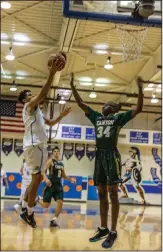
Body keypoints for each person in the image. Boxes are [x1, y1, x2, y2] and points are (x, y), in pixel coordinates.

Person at [70, 73, 144, 249]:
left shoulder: (117, 118)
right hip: (99, 156)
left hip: (111, 155)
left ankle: (113, 231)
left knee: (112, 192)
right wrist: (73, 86)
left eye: (105, 105)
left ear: (112, 109)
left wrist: (141, 89)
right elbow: (81, 104)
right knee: (101, 192)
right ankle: (103, 228)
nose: (102, 106)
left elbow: (138, 109)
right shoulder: (96, 117)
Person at [18, 53, 71, 228]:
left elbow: (50, 123)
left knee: (36, 179)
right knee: (36, 180)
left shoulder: (37, 112)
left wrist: (61, 116)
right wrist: (52, 73)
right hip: (36, 146)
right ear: (25, 100)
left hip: (34, 146)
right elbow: (42, 94)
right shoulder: (29, 106)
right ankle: (29, 212)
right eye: (29, 95)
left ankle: (24, 207)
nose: (32, 96)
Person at [36, 146, 76, 227]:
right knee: (46, 205)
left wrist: (70, 179)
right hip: (50, 185)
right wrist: (46, 179)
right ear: (53, 153)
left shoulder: (61, 164)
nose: (56, 152)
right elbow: (43, 171)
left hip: (58, 186)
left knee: (60, 203)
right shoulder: (50, 161)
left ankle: (54, 220)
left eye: (58, 151)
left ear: (59, 153)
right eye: (55, 151)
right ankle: (37, 199)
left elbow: (63, 176)